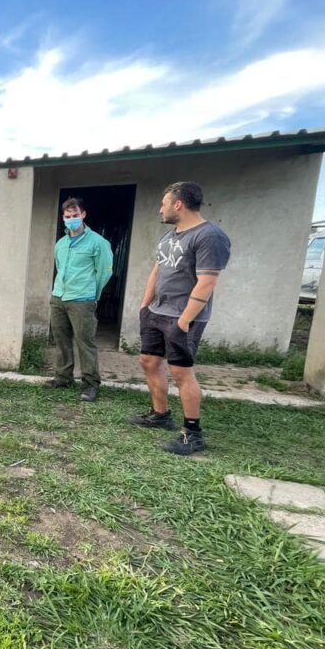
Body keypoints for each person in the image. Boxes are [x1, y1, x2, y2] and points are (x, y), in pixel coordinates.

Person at [130, 181, 231, 455]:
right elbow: (157, 271)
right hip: (156, 312)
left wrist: (185, 320)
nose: (160, 209)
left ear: (178, 204)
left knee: (181, 371)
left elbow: (208, 281)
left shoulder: (209, 236)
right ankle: (160, 414)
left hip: (183, 317)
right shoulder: (170, 236)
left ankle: (193, 433)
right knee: (149, 361)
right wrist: (145, 305)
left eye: (163, 204)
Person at [46, 198, 114, 402]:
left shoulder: (98, 242)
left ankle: (90, 384)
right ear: (63, 218)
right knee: (61, 340)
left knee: (85, 342)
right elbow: (59, 267)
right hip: (59, 297)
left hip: (82, 299)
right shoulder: (61, 243)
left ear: (83, 215)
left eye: (75, 215)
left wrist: (93, 295)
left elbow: (104, 272)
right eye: (68, 216)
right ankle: (63, 378)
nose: (71, 219)